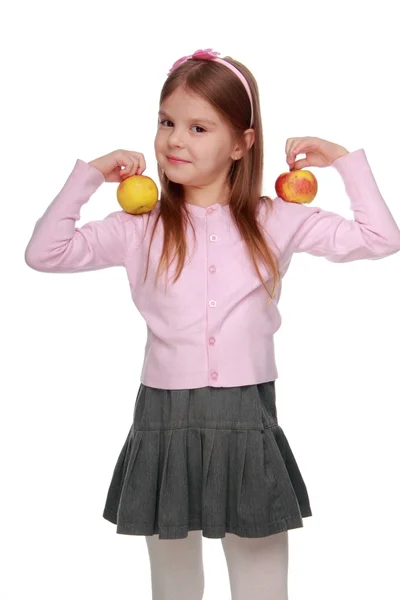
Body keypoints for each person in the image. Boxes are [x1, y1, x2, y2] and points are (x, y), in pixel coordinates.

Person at [24, 48, 400, 600]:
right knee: (173, 584)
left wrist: (344, 160)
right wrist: (88, 177)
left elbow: (380, 238)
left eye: (199, 127)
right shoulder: (138, 227)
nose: (176, 140)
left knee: (261, 580)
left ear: (242, 143)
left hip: (246, 413)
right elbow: (45, 253)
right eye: (166, 122)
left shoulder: (276, 219)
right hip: (164, 417)